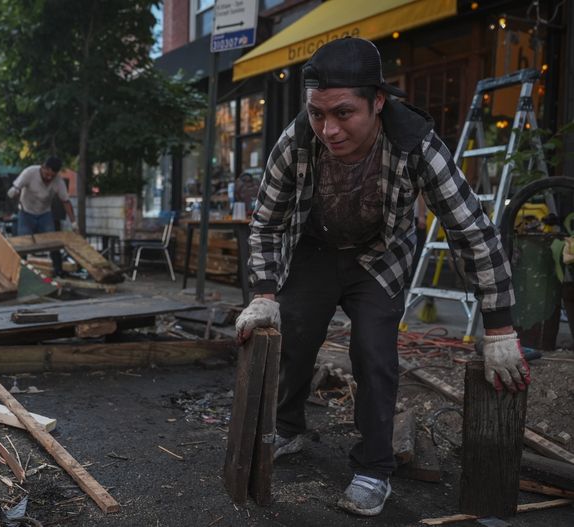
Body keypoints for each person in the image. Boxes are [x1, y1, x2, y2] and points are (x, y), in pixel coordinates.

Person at [235, 37, 530, 517]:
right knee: (297, 336)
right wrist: (265, 292)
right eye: (316, 113)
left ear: (377, 102)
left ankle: (374, 467)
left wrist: (499, 327)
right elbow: (267, 221)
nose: (328, 129)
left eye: (343, 113)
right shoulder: (297, 140)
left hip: (380, 258)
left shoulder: (417, 145)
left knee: (374, 353)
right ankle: (287, 428)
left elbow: (471, 230)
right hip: (314, 250)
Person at [7, 156, 76, 277]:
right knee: (24, 243)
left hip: (45, 214)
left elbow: (66, 202)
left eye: (52, 176)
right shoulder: (30, 172)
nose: (49, 178)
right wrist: (14, 190)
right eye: (47, 174)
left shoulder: (58, 181)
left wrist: (73, 222)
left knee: (53, 243)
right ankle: (19, 271)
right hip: (26, 212)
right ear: (43, 167)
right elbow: (17, 186)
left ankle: (58, 270)